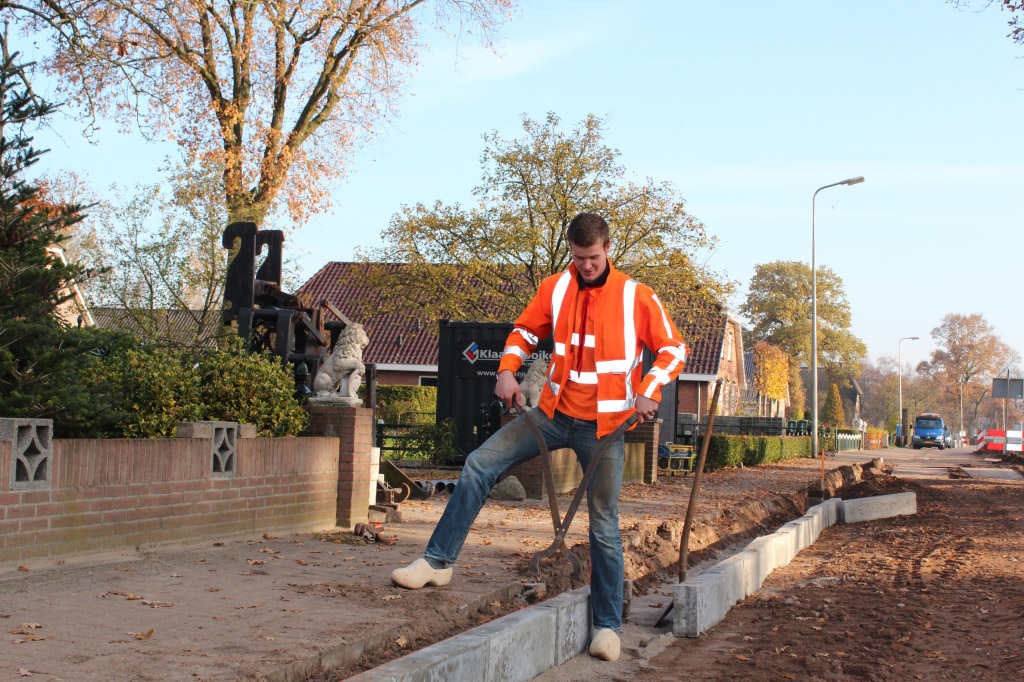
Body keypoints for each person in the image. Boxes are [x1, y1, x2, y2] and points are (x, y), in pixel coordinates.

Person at [390, 212, 688, 662]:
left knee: (604, 523)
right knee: (479, 464)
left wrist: (649, 391)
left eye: (592, 257)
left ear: (608, 249)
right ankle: (437, 563)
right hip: (552, 414)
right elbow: (525, 331)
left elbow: (673, 349)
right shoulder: (555, 287)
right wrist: (507, 371)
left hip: (604, 428)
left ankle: (607, 627)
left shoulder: (636, 297)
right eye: (578, 257)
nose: (585, 266)